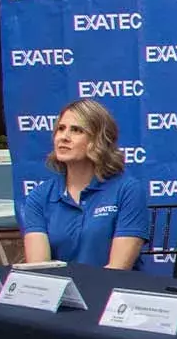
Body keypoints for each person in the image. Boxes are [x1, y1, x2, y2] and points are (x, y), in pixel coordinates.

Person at [20, 97, 148, 269]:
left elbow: (118, 269)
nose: (64, 137)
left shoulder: (127, 190)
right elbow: (40, 270)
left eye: (76, 130)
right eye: (60, 129)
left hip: (111, 291)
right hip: (62, 292)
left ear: (99, 140)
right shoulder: (40, 196)